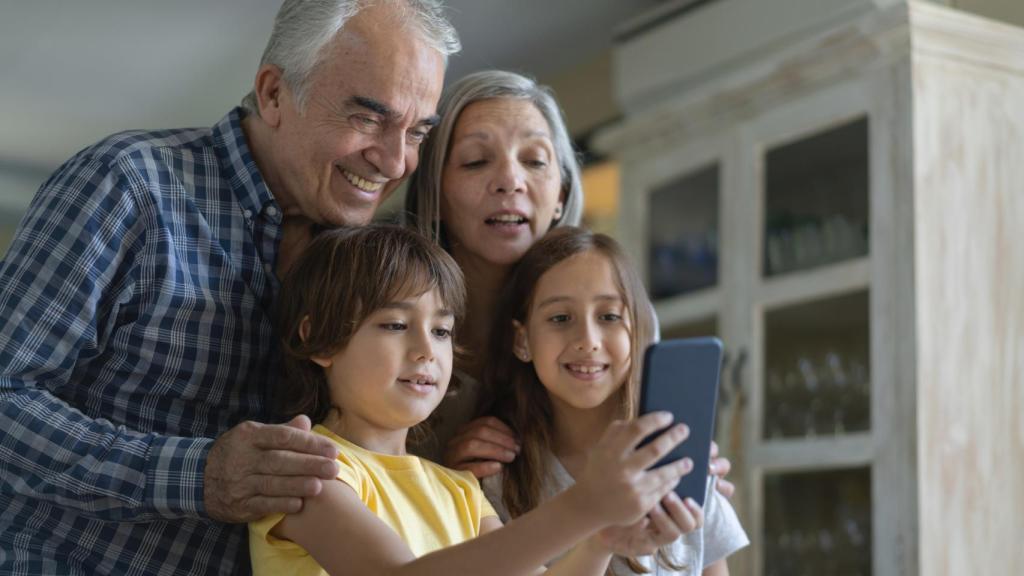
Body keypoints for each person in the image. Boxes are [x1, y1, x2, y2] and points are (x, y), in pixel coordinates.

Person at [0, 1, 458, 573]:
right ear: (272, 94)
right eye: (367, 118)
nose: (395, 161)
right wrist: (200, 474)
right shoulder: (129, 184)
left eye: (416, 131)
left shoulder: (371, 264)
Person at [250, 223, 697, 575]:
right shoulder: (305, 472)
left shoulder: (461, 490)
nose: (427, 350)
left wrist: (602, 539)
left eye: (442, 331)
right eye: (394, 325)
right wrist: (586, 506)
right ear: (320, 341)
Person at [403, 70, 735, 497]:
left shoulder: (630, 321)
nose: (510, 180)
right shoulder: (398, 325)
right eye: (476, 161)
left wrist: (686, 466)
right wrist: (443, 482)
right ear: (437, 191)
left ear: (561, 194)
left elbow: (653, 453)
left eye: (534, 160)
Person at [484, 226, 750, 575]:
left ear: (638, 330)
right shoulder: (498, 485)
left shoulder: (682, 464)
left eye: (609, 316)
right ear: (522, 341)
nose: (588, 340)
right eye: (560, 318)